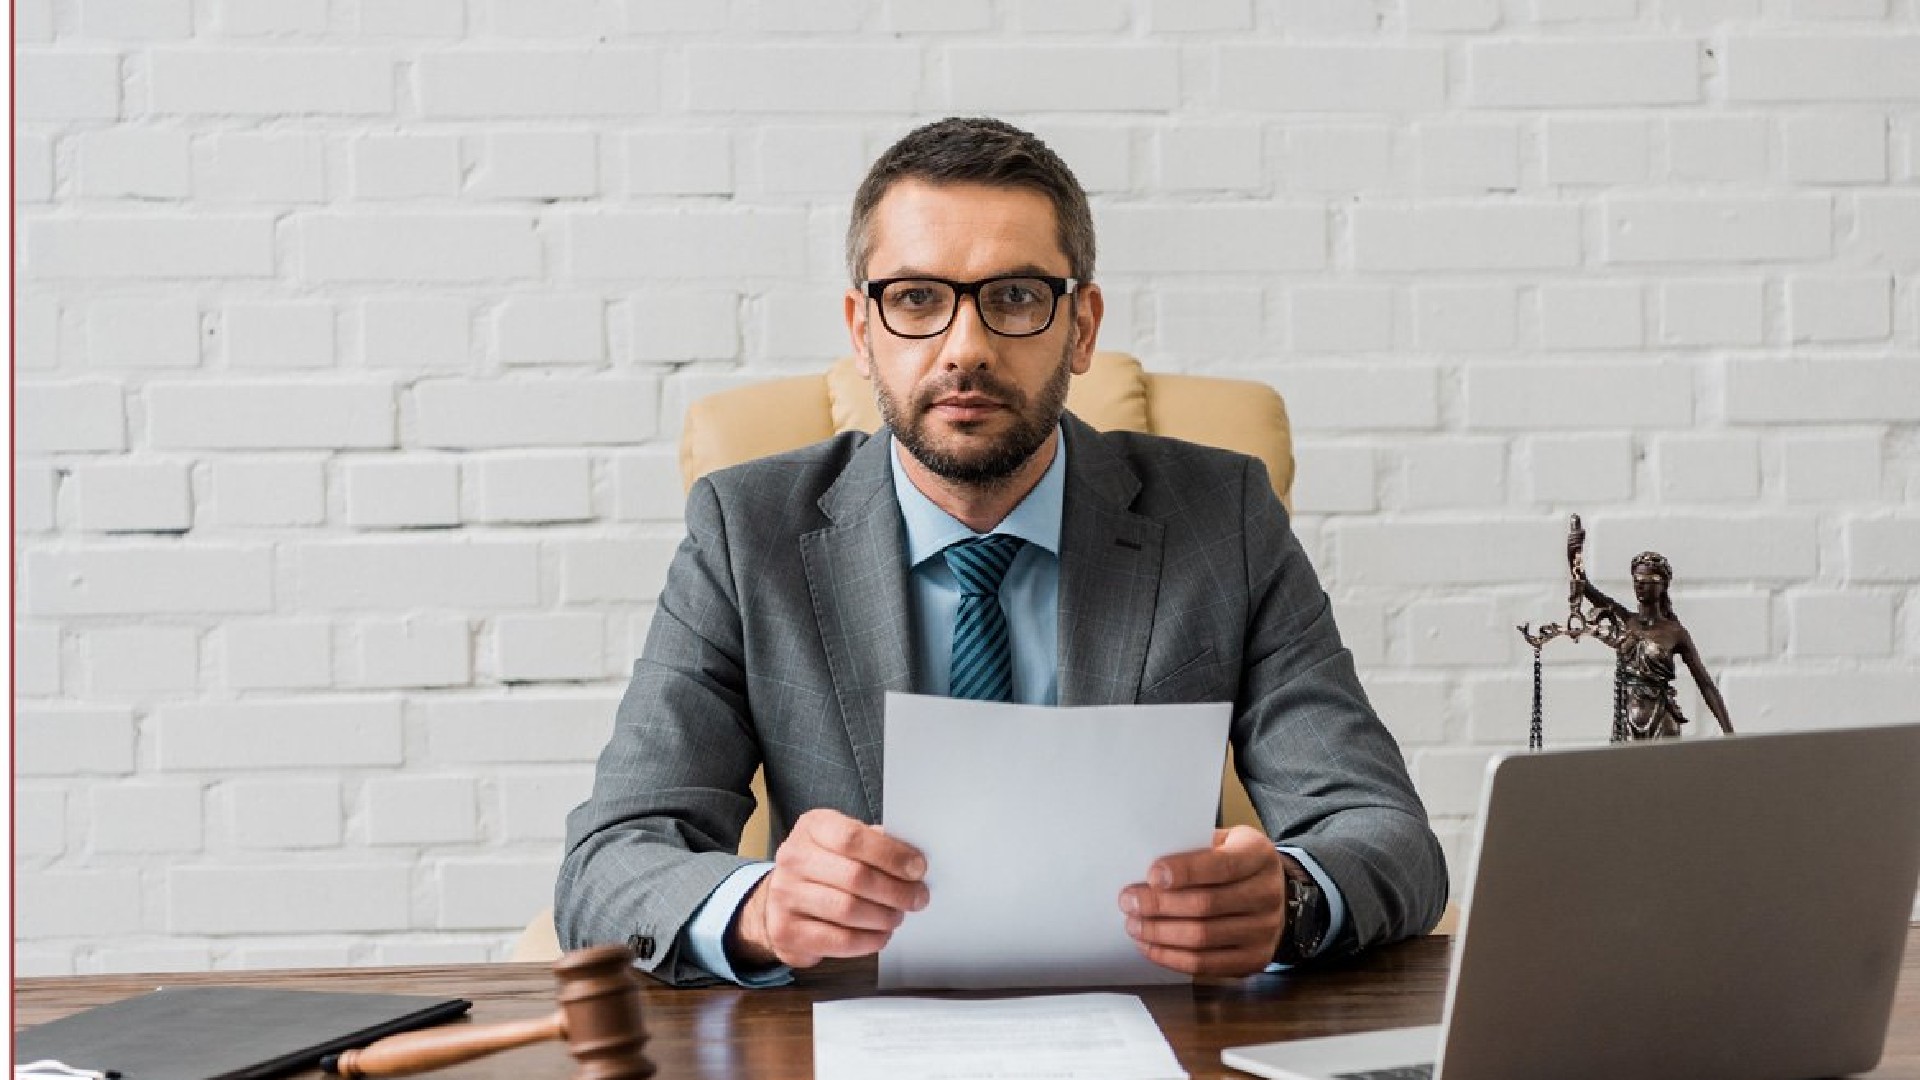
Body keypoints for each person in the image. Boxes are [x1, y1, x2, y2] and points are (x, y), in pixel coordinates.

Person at [557, 117, 1448, 987]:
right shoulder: (746, 532)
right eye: (915, 299)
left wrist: (1292, 899)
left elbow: (1385, 834)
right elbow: (611, 863)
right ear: (861, 331)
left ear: (1083, 327)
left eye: (1016, 297)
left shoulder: (1225, 518)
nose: (966, 348)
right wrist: (760, 911)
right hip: (857, 1030)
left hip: (1152, 1026)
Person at [1575, 550, 1735, 740]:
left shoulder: (1675, 633)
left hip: (1662, 716)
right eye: (1636, 578)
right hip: (1626, 718)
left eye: (1648, 579)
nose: (1640, 584)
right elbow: (1586, 587)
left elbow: (1706, 684)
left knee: (1665, 768)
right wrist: (1574, 553)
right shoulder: (1626, 620)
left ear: (1663, 585)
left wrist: (1729, 734)